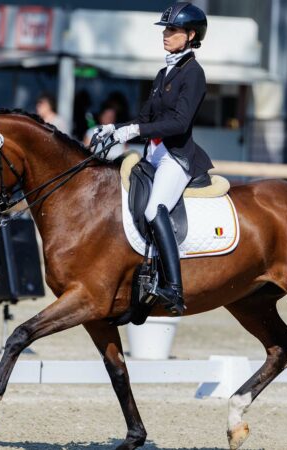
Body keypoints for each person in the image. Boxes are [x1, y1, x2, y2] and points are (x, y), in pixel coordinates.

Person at [95, 2, 211, 316]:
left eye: (172, 30)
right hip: (153, 154)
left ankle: (174, 288)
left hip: (175, 156)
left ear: (190, 35)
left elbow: (179, 123)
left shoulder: (194, 74)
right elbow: (145, 117)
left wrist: (133, 129)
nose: (166, 35)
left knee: (153, 208)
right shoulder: (164, 73)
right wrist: (114, 128)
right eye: (166, 29)